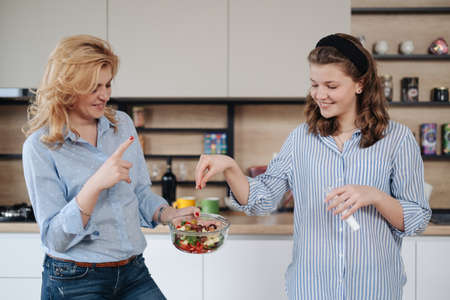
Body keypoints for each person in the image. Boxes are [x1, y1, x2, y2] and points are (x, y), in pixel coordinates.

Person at [195, 33, 431, 300]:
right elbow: (261, 200)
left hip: (374, 289)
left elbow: (417, 219)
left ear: (360, 84)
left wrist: (375, 196)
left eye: (331, 86)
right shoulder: (300, 140)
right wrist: (230, 168)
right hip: (312, 289)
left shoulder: (397, 140)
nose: (320, 95)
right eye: (314, 84)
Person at [22, 34, 199, 300]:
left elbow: (138, 192)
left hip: (133, 272)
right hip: (74, 279)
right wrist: (95, 184)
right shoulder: (41, 146)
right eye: (94, 87)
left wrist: (167, 214)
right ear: (67, 87)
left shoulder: (122, 125)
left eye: (107, 84)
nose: (104, 95)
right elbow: (54, 238)